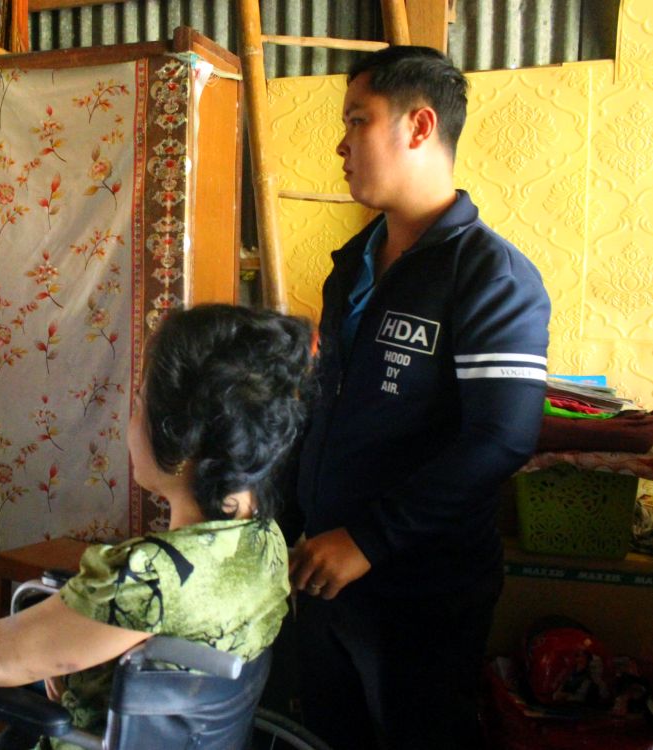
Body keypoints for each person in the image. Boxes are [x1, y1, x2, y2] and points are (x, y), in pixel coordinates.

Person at [0, 304, 314, 750]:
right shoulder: (264, 541)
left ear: (180, 441)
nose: (132, 416)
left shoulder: (151, 577)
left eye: (140, 401)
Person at [286, 46, 551, 750]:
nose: (340, 144)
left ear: (417, 125)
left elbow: (500, 439)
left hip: (419, 595)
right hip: (321, 576)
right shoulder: (351, 267)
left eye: (357, 120)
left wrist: (368, 541)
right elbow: (325, 407)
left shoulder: (491, 277)